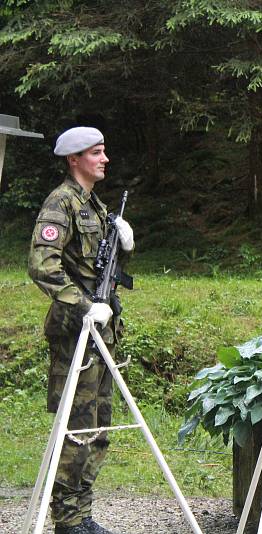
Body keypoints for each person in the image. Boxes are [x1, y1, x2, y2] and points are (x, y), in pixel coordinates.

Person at [28, 126, 134, 534]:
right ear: (74, 159)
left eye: (104, 151)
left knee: (98, 425)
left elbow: (101, 267)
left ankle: (81, 513)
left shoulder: (95, 204)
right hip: (76, 330)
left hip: (102, 332)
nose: (104, 159)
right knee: (76, 425)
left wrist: (125, 245)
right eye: (96, 153)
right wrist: (87, 305)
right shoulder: (61, 203)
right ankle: (67, 521)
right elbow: (43, 266)